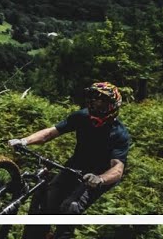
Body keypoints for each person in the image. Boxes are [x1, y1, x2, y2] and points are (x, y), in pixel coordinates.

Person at [8, 82, 132, 238]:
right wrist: (24, 141)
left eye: (102, 102)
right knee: (48, 201)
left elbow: (117, 169)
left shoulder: (119, 133)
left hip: (99, 175)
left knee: (70, 207)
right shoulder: (82, 116)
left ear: (112, 106)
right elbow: (50, 133)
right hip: (75, 166)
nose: (95, 104)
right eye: (93, 100)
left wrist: (100, 179)